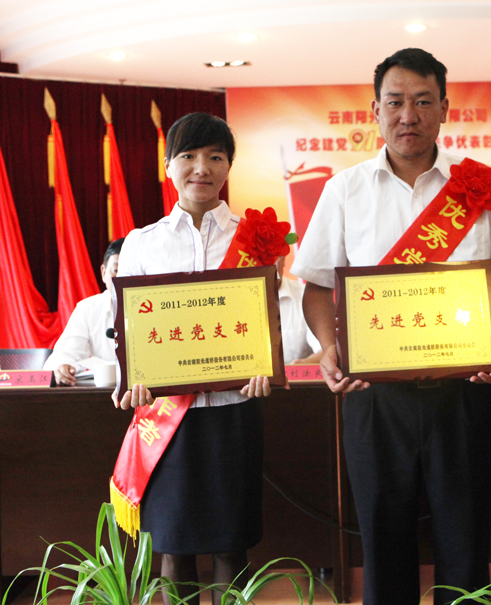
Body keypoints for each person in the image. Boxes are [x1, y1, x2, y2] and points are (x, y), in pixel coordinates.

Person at [292, 48, 491, 604]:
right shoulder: (344, 190)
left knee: (465, 538)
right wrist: (329, 348)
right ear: (375, 110)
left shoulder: (483, 186)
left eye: (424, 101)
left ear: (445, 108)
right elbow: (316, 288)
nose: (409, 115)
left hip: (465, 389)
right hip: (374, 395)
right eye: (396, 102)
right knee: (383, 542)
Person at [114, 112, 272, 605]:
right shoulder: (142, 243)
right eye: (188, 156)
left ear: (229, 167)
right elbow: (127, 328)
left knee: (230, 545)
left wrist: (266, 364)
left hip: (234, 410)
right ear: (168, 166)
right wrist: (132, 377)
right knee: (173, 545)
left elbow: (270, 318)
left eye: (215, 157)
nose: (202, 167)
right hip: (168, 420)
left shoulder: (255, 237)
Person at [43, 238, 123, 385]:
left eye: (131, 272)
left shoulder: (155, 307)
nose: (123, 279)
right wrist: (62, 367)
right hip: (100, 393)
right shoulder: (88, 309)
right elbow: (61, 356)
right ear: (103, 273)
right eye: (116, 271)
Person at [275, 256, 322, 364]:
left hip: (297, 374)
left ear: (283, 259)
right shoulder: (239, 299)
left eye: (272, 259)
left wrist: (302, 365)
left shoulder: (306, 296)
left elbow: (327, 350)